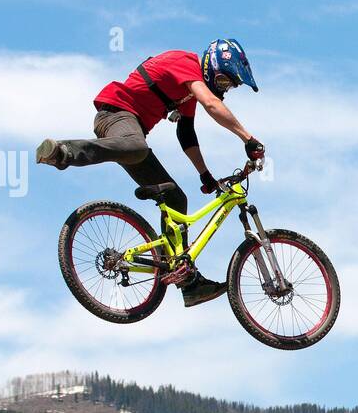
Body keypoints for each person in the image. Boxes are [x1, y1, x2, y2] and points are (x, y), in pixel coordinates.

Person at [36, 39, 264, 306]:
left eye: (228, 86)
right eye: (224, 81)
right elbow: (211, 105)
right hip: (117, 115)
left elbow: (186, 133)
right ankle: (63, 152)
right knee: (136, 146)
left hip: (131, 140)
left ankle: (188, 282)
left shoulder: (187, 91)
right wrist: (248, 138)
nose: (223, 89)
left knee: (176, 199)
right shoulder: (187, 64)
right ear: (213, 65)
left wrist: (204, 174)